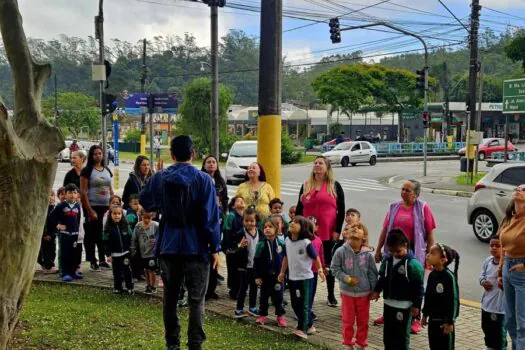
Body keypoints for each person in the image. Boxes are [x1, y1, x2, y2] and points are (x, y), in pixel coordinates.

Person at [140, 135, 221, 350]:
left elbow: (146, 201)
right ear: (193, 153)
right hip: (197, 246)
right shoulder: (204, 180)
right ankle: (195, 344)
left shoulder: (161, 178)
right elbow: (211, 217)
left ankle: (172, 343)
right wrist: (215, 248)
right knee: (197, 300)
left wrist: (153, 178)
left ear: (172, 154)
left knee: (170, 296)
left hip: (169, 245)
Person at [374, 179, 436, 333]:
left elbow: (430, 232)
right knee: (391, 281)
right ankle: (388, 312)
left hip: (413, 252)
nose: (403, 192)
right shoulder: (394, 206)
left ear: (416, 194)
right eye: (402, 189)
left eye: (407, 190)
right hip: (393, 251)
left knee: (414, 283)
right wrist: (379, 249)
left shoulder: (423, 208)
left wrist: (430, 254)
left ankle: (415, 317)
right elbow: (385, 229)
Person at [296, 156, 345, 307]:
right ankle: (306, 293)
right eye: (315, 163)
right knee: (306, 261)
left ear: (327, 167)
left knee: (327, 263)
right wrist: (296, 226)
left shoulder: (334, 186)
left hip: (327, 231)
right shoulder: (306, 185)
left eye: (320, 163)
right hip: (308, 232)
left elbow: (341, 210)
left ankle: (330, 294)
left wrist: (337, 230)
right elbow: (299, 208)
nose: (317, 165)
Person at [370, 229, 424, 350]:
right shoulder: (387, 260)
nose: (395, 254)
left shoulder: (413, 264)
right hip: (389, 304)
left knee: (401, 337)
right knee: (388, 335)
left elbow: (419, 287)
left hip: (404, 306)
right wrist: (377, 291)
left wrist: (416, 305)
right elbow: (383, 277)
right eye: (392, 251)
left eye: (398, 251)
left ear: (405, 245)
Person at [331, 223, 378, 350]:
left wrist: (374, 290)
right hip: (347, 293)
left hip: (364, 294)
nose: (355, 229)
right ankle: (348, 342)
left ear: (364, 237)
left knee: (363, 321)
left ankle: (361, 342)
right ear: (346, 233)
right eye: (352, 228)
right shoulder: (340, 251)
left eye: (359, 228)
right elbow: (334, 269)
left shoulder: (368, 254)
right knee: (348, 320)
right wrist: (347, 279)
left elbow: (373, 273)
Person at [278, 216, 325, 339]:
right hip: (292, 277)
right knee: (295, 304)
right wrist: (282, 272)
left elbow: (316, 257)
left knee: (304, 304)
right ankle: (309, 325)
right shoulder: (287, 241)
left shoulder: (306, 243)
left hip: (305, 278)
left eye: (296, 223)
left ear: (303, 228)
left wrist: (320, 270)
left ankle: (301, 328)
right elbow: (286, 258)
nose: (292, 224)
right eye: (292, 222)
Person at [497, 185, 525, 350]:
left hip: (522, 272)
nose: (519, 189)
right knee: (510, 321)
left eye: (524, 189)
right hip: (508, 269)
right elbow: (503, 248)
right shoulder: (511, 217)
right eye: (518, 187)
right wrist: (500, 271)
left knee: (523, 324)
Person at [80, 144, 114, 272]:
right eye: (95, 154)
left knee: (102, 234)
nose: (98, 156)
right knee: (92, 234)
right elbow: (83, 192)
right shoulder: (87, 171)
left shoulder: (107, 170)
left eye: (100, 153)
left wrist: (113, 203)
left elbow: (110, 189)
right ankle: (92, 260)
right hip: (92, 207)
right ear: (91, 156)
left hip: (105, 207)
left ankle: (102, 259)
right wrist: (89, 210)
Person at [422, 243, 460, 350]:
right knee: (433, 346)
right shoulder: (432, 275)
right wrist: (425, 314)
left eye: (432, 254)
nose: (428, 255)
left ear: (442, 260)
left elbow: (454, 300)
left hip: (445, 322)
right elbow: (428, 296)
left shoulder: (449, 277)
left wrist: (450, 321)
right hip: (433, 320)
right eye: (428, 252)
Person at [201, 155, 228, 298]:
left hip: (218, 219)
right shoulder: (201, 179)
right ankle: (205, 289)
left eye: (213, 162)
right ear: (204, 165)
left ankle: (212, 288)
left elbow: (225, 199)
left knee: (216, 254)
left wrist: (224, 213)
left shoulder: (220, 181)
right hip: (206, 221)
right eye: (208, 162)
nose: (211, 164)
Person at [254, 217, 287, 327]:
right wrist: (257, 276)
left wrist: (284, 273)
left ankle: (280, 316)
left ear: (277, 229)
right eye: (265, 227)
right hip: (265, 276)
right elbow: (257, 261)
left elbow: (286, 259)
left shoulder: (282, 244)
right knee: (264, 296)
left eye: (270, 227)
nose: (267, 229)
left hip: (278, 277)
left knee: (279, 297)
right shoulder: (261, 244)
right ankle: (262, 315)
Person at [48, 184, 82, 282]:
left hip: (74, 234)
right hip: (65, 234)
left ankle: (72, 272)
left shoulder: (77, 206)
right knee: (65, 254)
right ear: (65, 195)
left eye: (74, 193)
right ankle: (65, 273)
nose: (72, 195)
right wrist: (58, 226)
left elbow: (78, 220)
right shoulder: (61, 206)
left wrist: (77, 231)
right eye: (70, 193)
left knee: (74, 254)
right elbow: (52, 217)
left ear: (77, 195)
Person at [479, 236, 507, 350]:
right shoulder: (488, 261)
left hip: (499, 308)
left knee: (499, 335)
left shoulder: (505, 263)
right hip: (486, 306)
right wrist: (482, 282)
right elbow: (482, 275)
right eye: (492, 245)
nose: (494, 248)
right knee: (487, 330)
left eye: (497, 245)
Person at [233, 207, 260, 318]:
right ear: (243, 221)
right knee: (243, 288)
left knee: (254, 288)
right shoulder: (240, 233)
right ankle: (239, 308)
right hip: (244, 267)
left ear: (256, 221)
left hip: (255, 267)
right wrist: (240, 246)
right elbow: (234, 249)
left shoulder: (260, 233)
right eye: (246, 220)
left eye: (252, 220)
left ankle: (252, 307)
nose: (249, 223)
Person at [103, 205, 134, 295]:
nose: (117, 216)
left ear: (122, 214)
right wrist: (108, 255)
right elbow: (105, 242)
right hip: (115, 255)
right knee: (116, 272)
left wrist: (132, 249)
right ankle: (117, 288)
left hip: (125, 253)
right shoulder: (107, 228)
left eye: (119, 213)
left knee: (127, 271)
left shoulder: (125, 226)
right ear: (110, 215)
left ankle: (130, 288)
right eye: (114, 214)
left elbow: (131, 237)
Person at [222, 196, 245, 300]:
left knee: (241, 268)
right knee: (232, 269)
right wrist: (227, 247)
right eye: (238, 201)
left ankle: (240, 288)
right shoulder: (231, 216)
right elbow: (227, 231)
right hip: (232, 246)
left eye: (242, 201)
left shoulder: (245, 215)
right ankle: (233, 290)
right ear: (233, 205)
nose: (241, 202)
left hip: (242, 246)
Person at [132, 209, 159, 294]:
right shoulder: (138, 226)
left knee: (152, 270)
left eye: (149, 218)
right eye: (144, 218)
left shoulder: (156, 225)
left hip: (152, 252)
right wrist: (133, 249)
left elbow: (160, 236)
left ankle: (153, 286)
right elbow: (134, 238)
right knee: (146, 270)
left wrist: (156, 242)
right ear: (141, 216)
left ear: (152, 217)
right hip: (143, 253)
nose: (146, 220)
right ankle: (148, 285)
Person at [307, 216, 325, 323]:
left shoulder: (318, 240)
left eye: (312, 225)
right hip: (305, 272)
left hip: (314, 271)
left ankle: (308, 309)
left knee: (312, 292)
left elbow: (321, 255)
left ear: (317, 227)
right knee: (306, 292)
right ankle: (303, 311)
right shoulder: (302, 240)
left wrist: (322, 268)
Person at [38, 191, 58, 274]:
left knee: (52, 250)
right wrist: (45, 234)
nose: (51, 197)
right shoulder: (44, 209)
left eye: (52, 195)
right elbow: (44, 222)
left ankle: (49, 264)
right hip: (46, 234)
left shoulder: (54, 208)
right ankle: (47, 266)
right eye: (49, 195)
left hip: (53, 234)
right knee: (46, 250)